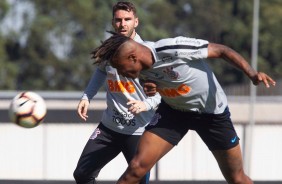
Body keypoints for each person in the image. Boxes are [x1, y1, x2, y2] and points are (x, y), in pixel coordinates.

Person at [91, 33, 276, 184]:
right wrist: (151, 87)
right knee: (136, 168)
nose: (120, 73)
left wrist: (251, 73)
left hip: (212, 115)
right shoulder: (138, 67)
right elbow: (154, 81)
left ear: (132, 57)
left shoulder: (174, 48)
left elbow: (221, 50)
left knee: (237, 178)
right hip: (174, 112)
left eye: (120, 67)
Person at [73, 2, 161, 184]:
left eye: (127, 19)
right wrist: (86, 96)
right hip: (108, 129)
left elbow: (163, 90)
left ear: (136, 22)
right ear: (113, 23)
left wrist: (145, 104)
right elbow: (101, 71)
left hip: (139, 132)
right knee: (81, 175)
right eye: (119, 20)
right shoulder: (109, 49)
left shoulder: (147, 52)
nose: (123, 24)